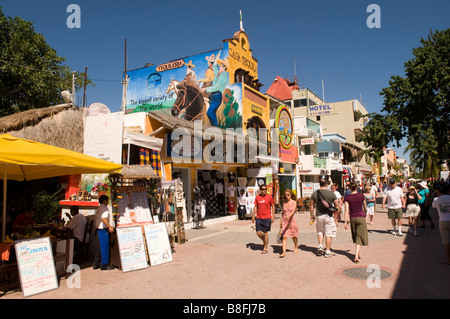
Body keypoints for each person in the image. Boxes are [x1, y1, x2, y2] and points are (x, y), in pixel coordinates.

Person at [310, 179, 341, 258]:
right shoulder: (331, 194)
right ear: (326, 184)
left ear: (319, 184)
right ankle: (327, 251)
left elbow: (311, 205)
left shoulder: (314, 194)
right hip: (328, 216)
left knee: (320, 231)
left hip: (319, 216)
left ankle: (320, 246)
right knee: (328, 233)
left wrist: (312, 215)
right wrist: (336, 214)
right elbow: (337, 205)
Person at [344, 182, 368, 263]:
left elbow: (346, 210)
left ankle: (359, 253)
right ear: (357, 187)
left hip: (353, 217)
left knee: (356, 235)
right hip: (361, 216)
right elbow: (365, 208)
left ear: (350, 188)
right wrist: (365, 215)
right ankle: (356, 256)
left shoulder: (347, 197)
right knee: (359, 236)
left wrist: (345, 222)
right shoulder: (361, 196)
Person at [93, 195, 114, 270]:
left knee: (99, 248)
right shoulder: (104, 208)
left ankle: (96, 264)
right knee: (104, 247)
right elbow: (103, 218)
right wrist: (109, 226)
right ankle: (104, 264)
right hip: (102, 230)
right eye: (107, 200)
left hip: (98, 230)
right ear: (104, 201)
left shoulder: (98, 208)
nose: (108, 202)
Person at [251, 185, 275, 254]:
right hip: (259, 217)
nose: (264, 190)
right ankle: (265, 241)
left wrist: (273, 216)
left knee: (265, 233)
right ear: (260, 190)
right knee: (258, 233)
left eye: (265, 189)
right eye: (263, 189)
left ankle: (265, 248)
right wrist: (253, 216)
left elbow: (273, 206)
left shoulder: (269, 197)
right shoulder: (257, 197)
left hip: (267, 218)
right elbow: (255, 207)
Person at [432, 183, 450, 265]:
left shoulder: (437, 199)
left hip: (443, 220)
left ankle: (449, 259)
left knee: (446, 241)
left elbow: (433, 206)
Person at [279, 189, 299, 258]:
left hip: (291, 221)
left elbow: (293, 211)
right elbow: (283, 212)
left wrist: (289, 216)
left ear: (291, 195)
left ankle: (296, 246)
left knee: (293, 236)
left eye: (288, 195)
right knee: (284, 236)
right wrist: (281, 220)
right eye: (286, 195)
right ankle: (284, 252)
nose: (287, 196)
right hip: (285, 221)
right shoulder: (284, 202)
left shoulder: (294, 202)